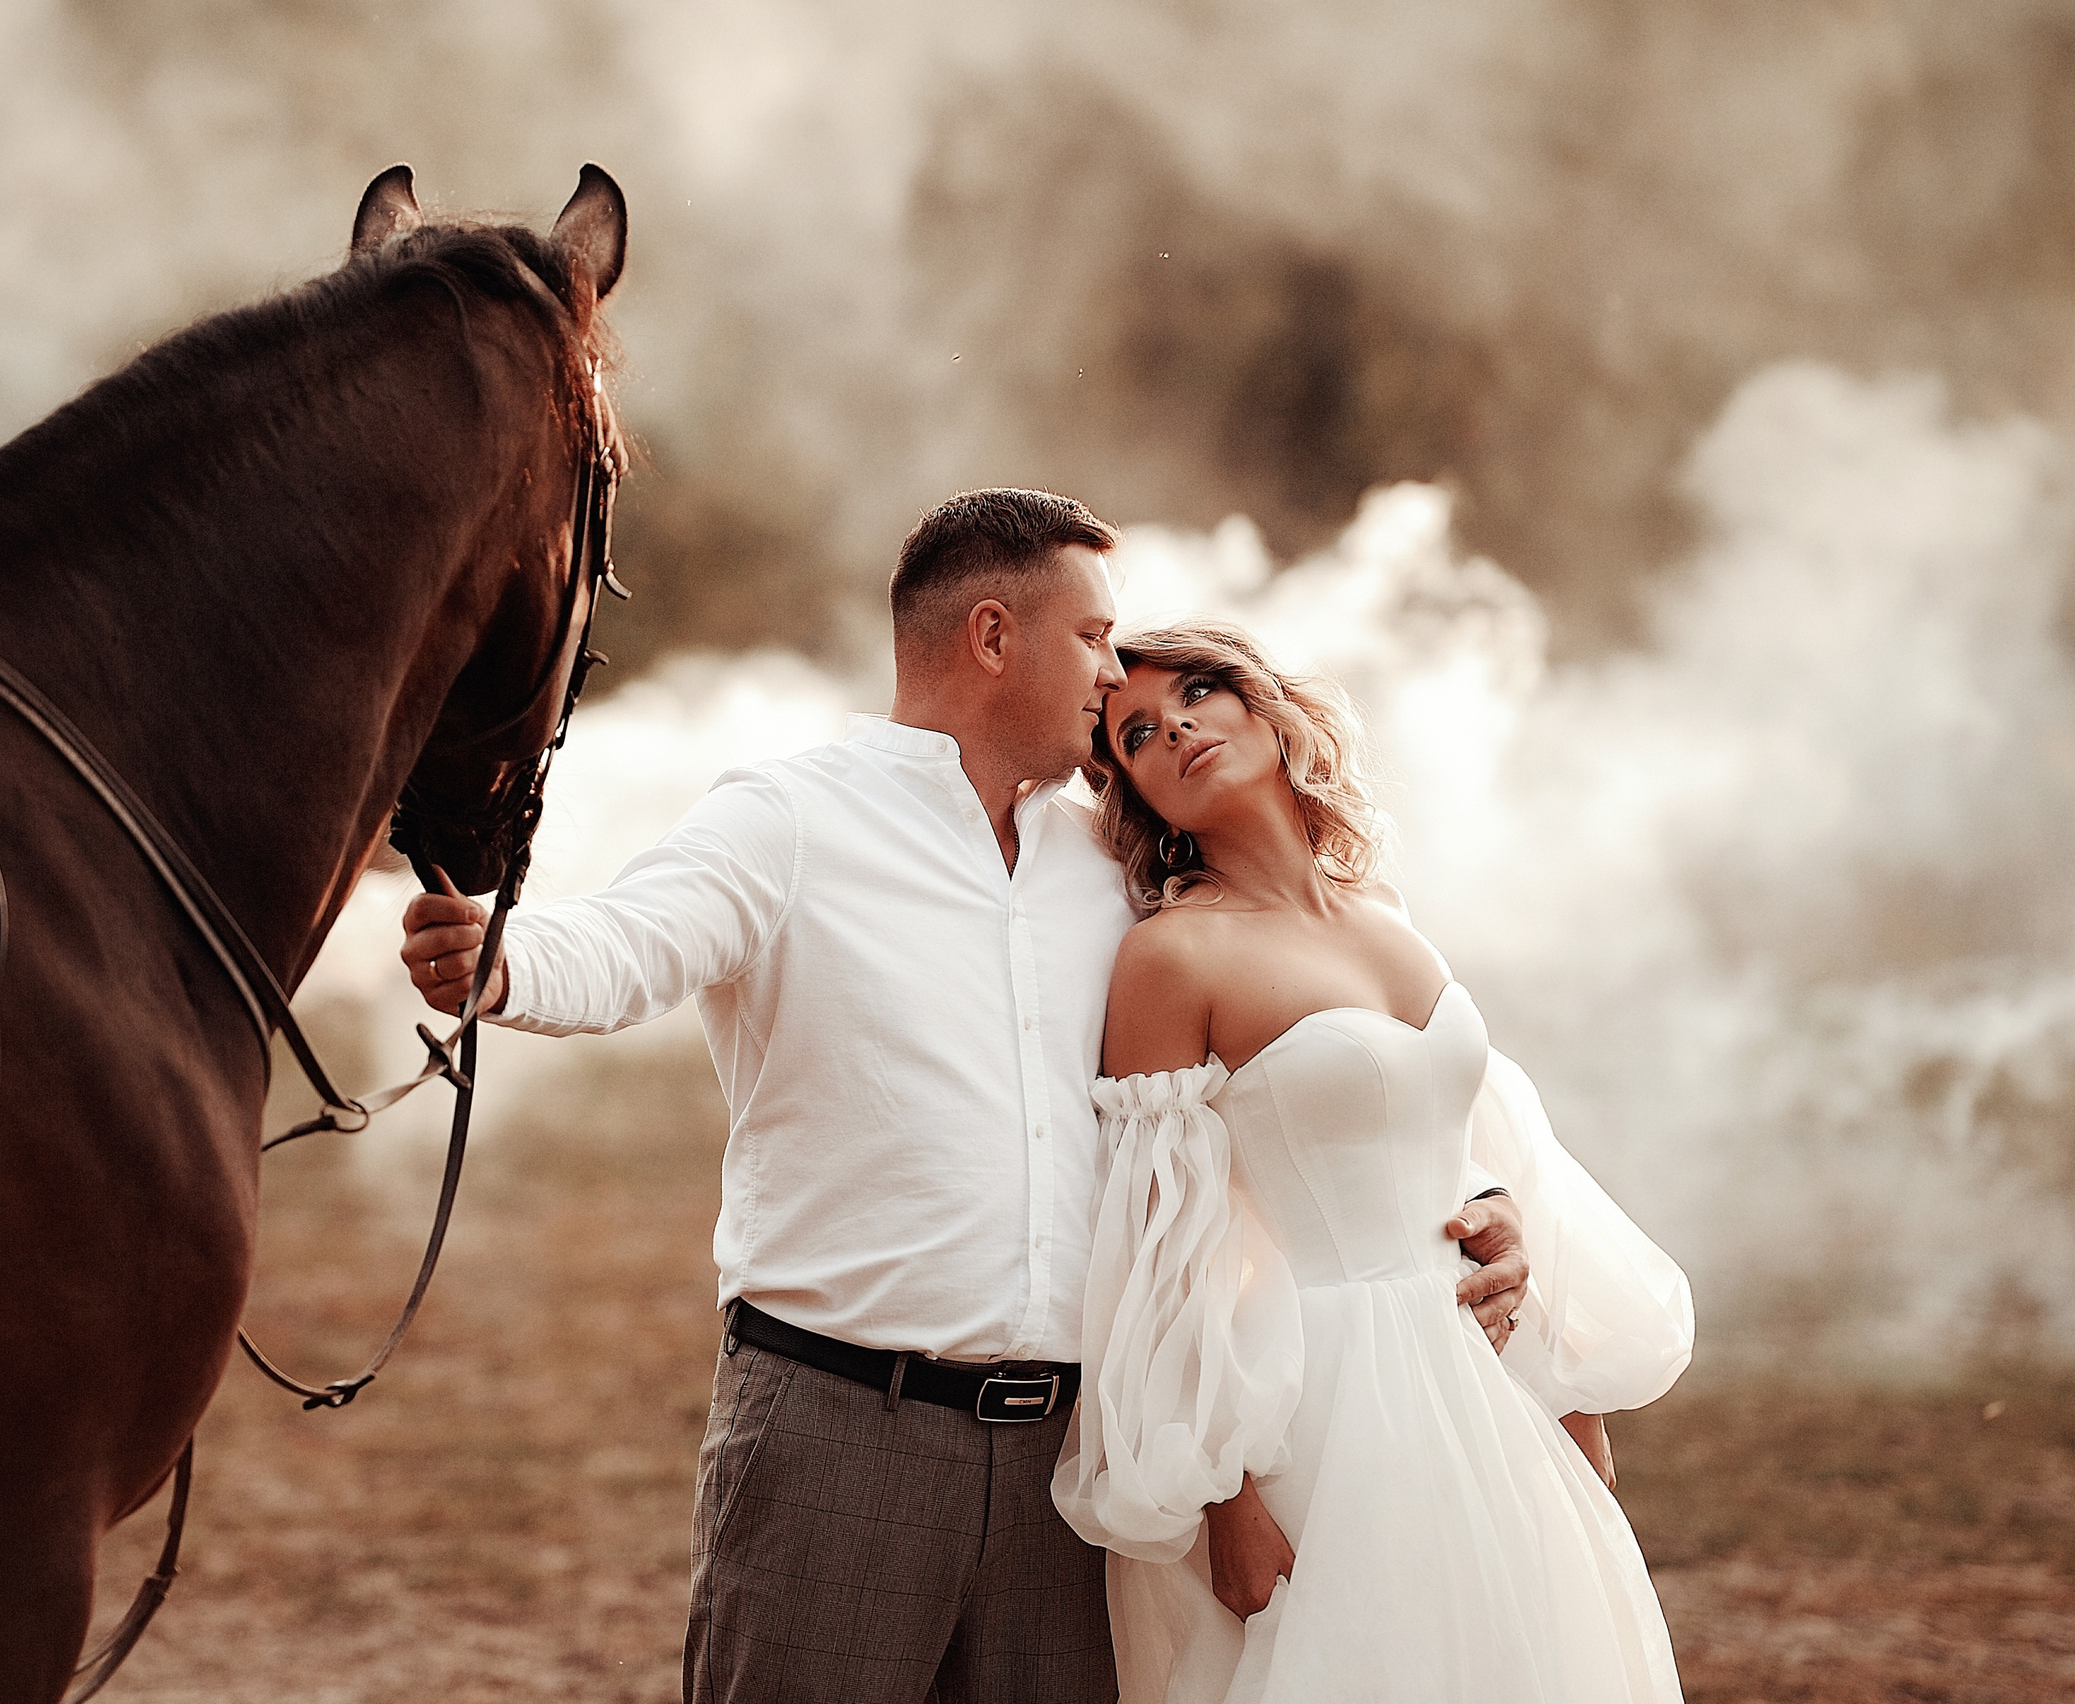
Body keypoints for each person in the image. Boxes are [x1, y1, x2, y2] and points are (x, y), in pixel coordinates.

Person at [399, 492, 1533, 1704]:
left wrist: (1460, 1196)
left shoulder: (1111, 863)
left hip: (1072, 1470)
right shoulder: (788, 819)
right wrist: (503, 960)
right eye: (1095, 638)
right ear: (992, 637)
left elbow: (1286, 1073)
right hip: (841, 1435)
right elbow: (629, 943)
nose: (1113, 673)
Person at [1053, 616, 1694, 1701]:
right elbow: (1167, 1246)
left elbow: (1491, 1147)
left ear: (1259, 705)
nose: (1176, 729)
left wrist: (1565, 1385)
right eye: (1137, 735)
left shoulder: (1384, 912)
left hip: (1484, 1378)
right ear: (1137, 794)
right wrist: (1226, 1500)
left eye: (1198, 693)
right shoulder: (1172, 955)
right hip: (1329, 1403)